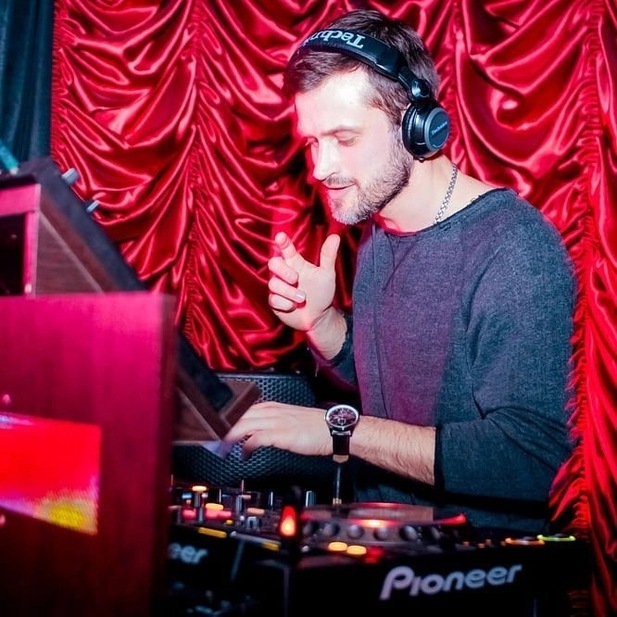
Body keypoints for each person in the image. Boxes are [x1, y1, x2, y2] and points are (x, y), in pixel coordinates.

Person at [224, 8, 576, 534]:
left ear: (417, 127)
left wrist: (340, 431)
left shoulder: (514, 248)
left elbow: (534, 457)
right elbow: (395, 388)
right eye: (313, 142)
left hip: (476, 561)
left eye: (344, 139)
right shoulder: (380, 233)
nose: (321, 167)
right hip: (383, 541)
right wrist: (324, 325)